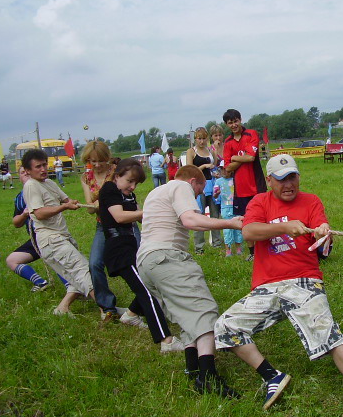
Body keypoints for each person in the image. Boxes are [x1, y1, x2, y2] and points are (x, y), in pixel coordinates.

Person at [214, 154, 343, 416]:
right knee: (225, 327)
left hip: (304, 280)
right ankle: (272, 376)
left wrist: (324, 232)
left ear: (299, 176)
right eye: (281, 179)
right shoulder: (260, 202)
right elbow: (249, 232)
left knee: (328, 333)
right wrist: (285, 227)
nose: (288, 184)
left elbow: (323, 239)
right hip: (266, 286)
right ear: (269, 180)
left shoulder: (311, 201)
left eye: (292, 177)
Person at [136, 165, 242, 397]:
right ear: (193, 181)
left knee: (184, 314)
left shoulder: (155, 193)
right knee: (202, 310)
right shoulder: (181, 186)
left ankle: (192, 369)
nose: (196, 197)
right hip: (167, 257)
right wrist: (231, 223)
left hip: (146, 262)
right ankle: (209, 377)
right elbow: (191, 220)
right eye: (198, 191)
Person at [98, 158, 184, 352]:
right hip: (118, 250)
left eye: (136, 183)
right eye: (129, 181)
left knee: (152, 284)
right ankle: (166, 340)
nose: (133, 186)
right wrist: (148, 212)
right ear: (118, 175)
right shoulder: (109, 190)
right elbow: (119, 216)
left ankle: (130, 315)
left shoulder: (128, 195)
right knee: (146, 291)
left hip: (131, 246)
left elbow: (142, 217)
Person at [22, 149, 97, 315]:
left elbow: (66, 200)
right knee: (82, 270)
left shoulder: (49, 183)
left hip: (61, 237)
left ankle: (62, 308)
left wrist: (78, 202)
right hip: (50, 240)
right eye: (37, 167)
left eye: (44, 165)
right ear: (27, 170)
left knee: (74, 277)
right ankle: (106, 309)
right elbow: (39, 213)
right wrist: (64, 206)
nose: (43, 169)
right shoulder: (31, 186)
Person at [80, 141, 129, 321]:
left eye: (101, 160)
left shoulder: (116, 172)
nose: (98, 165)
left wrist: (100, 202)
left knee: (140, 259)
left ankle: (153, 298)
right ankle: (108, 306)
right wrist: (100, 203)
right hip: (103, 225)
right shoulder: (86, 178)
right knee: (94, 264)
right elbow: (90, 209)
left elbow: (125, 195)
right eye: (93, 161)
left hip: (124, 222)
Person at [223, 109, 267, 260]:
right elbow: (227, 168)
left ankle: (266, 248)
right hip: (240, 190)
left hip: (257, 185)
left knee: (262, 218)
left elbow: (250, 158)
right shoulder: (227, 142)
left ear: (240, 120)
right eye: (230, 122)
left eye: (236, 121)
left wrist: (235, 157)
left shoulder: (252, 134)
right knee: (245, 220)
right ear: (227, 125)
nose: (234, 125)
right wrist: (241, 158)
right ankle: (252, 253)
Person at [6, 166, 51, 291]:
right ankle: (40, 282)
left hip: (51, 236)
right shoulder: (20, 197)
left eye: (28, 172)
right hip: (35, 239)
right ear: (19, 177)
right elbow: (16, 223)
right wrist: (24, 214)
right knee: (12, 260)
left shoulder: (45, 190)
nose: (26, 175)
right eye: (22, 173)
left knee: (55, 260)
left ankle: (74, 288)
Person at [187, 127, 223, 253]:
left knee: (214, 215)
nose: (201, 141)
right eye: (199, 138)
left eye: (203, 138)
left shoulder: (209, 150)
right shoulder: (191, 151)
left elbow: (215, 164)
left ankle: (217, 243)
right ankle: (199, 247)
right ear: (195, 139)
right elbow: (189, 170)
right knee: (199, 215)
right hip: (198, 186)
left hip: (211, 184)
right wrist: (203, 166)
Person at [213, 161, 244, 257]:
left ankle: (238, 248)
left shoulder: (236, 179)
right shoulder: (218, 181)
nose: (223, 171)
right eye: (221, 169)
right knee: (227, 229)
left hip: (236, 206)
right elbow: (215, 195)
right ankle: (228, 250)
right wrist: (216, 194)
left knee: (238, 229)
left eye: (225, 169)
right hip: (225, 207)